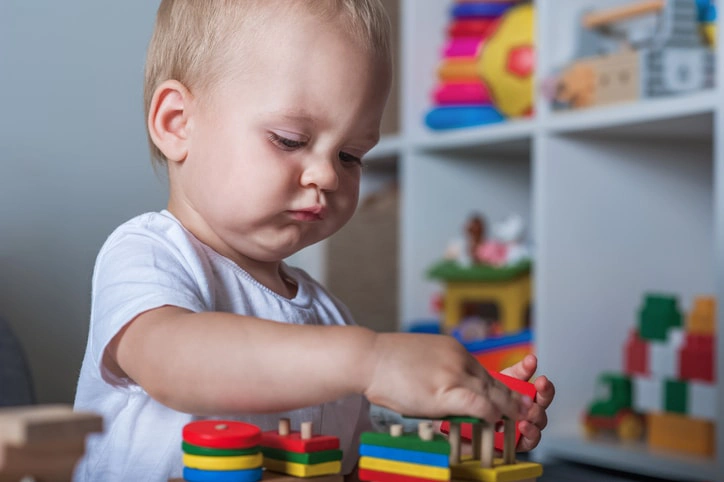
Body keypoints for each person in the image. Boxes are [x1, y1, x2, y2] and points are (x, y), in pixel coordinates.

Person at [73, 1, 555, 481]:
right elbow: (171, 361)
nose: (327, 174)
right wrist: (373, 360)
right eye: (289, 139)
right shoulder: (150, 254)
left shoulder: (327, 316)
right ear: (178, 123)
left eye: (350, 155)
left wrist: (460, 425)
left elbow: (355, 462)